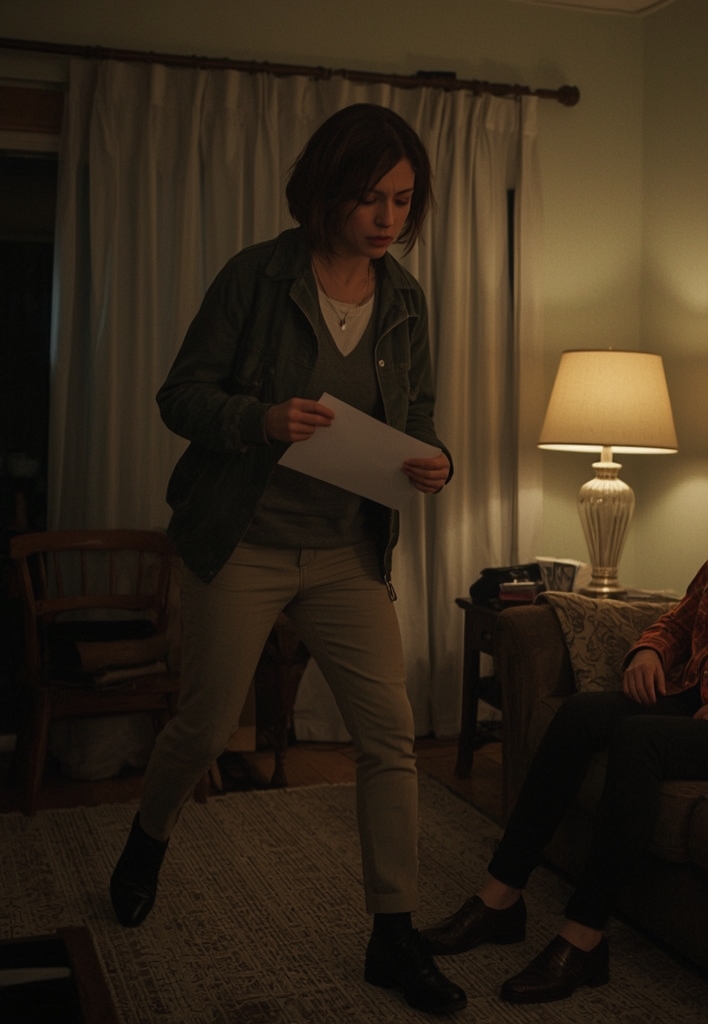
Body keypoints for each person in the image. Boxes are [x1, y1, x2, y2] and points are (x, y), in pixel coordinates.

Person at [109, 104, 467, 1015]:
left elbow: (418, 417)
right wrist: (259, 419)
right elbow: (180, 395)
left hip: (347, 551)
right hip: (243, 542)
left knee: (389, 736)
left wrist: (435, 460)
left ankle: (393, 934)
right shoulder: (257, 276)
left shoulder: (406, 300)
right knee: (203, 727)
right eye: (370, 197)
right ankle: (148, 836)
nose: (387, 218)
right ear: (325, 191)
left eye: (403, 200)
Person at [421, 416, 708, 1005]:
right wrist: (649, 648)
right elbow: (683, 615)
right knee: (581, 714)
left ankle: (584, 937)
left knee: (639, 740)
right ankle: (499, 898)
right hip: (700, 696)